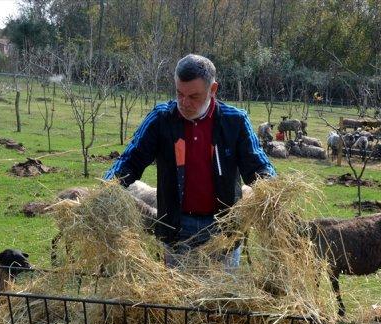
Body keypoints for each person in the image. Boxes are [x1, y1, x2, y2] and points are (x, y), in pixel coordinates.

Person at [105, 54, 275, 268]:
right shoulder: (161, 120)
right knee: (176, 298)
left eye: (193, 96)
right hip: (177, 227)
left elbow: (258, 167)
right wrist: (109, 186)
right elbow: (131, 159)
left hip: (222, 229)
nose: (184, 103)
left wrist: (272, 189)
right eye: (179, 93)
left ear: (213, 90)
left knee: (221, 298)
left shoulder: (235, 122)